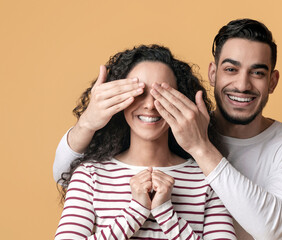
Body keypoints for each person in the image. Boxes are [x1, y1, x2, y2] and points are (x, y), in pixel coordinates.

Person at [54, 19, 282, 240]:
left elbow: (271, 231)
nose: (242, 85)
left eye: (257, 73)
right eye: (231, 68)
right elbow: (65, 172)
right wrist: (88, 122)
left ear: (273, 81)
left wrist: (167, 208)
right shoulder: (90, 173)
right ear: (213, 73)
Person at [54, 45, 236, 240]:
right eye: (139, 93)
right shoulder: (89, 175)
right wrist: (135, 213)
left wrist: (166, 214)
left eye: (162, 94)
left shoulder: (208, 179)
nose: (149, 105)